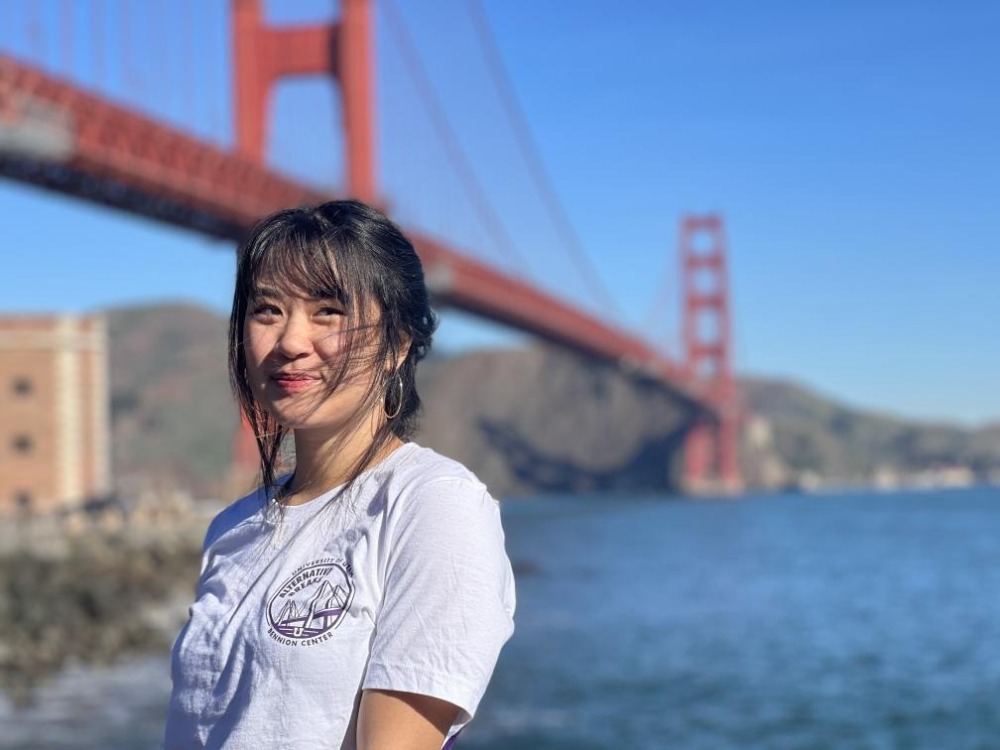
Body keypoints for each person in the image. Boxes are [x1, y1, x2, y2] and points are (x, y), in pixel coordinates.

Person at [163, 200, 516, 749]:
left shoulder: (432, 504)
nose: (290, 342)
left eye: (328, 311)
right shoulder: (232, 526)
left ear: (398, 344)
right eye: (267, 310)